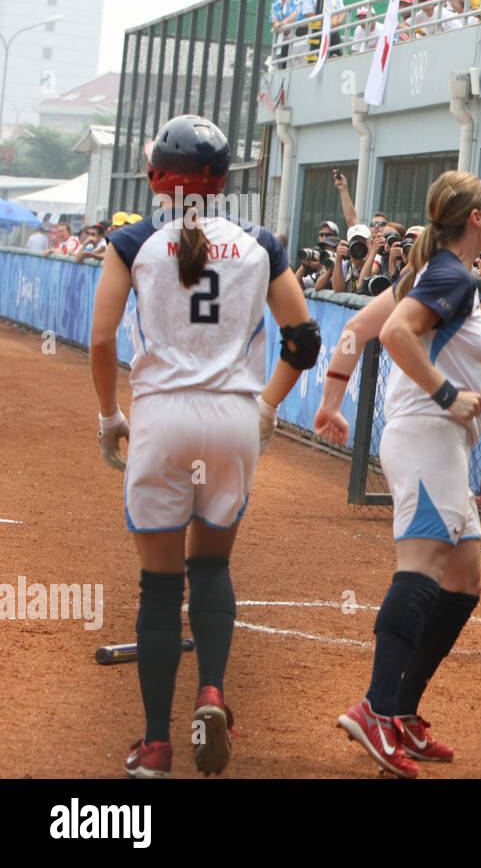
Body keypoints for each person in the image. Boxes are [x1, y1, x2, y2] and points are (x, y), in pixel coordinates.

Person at [88, 114, 319, 778]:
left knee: (159, 588)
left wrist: (110, 415)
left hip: (161, 418)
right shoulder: (261, 244)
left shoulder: (132, 242)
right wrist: (269, 404)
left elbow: (102, 342)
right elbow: (303, 341)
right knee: (211, 570)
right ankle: (212, 692)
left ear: (156, 175)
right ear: (221, 181)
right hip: (232, 419)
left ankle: (156, 744)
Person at [315, 171, 481, 779]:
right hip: (427, 439)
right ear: (474, 218)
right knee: (419, 569)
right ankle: (375, 708)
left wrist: (332, 401)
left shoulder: (428, 273)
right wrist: (449, 394)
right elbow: (392, 335)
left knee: (465, 579)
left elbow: (354, 330)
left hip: (437, 444)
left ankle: (401, 714)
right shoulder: (449, 272)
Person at [270, 0, 303, 64]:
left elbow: (295, 13)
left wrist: (283, 23)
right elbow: (273, 18)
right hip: (283, 38)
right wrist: (276, 24)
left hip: (297, 36)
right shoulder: (275, 3)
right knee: (283, 62)